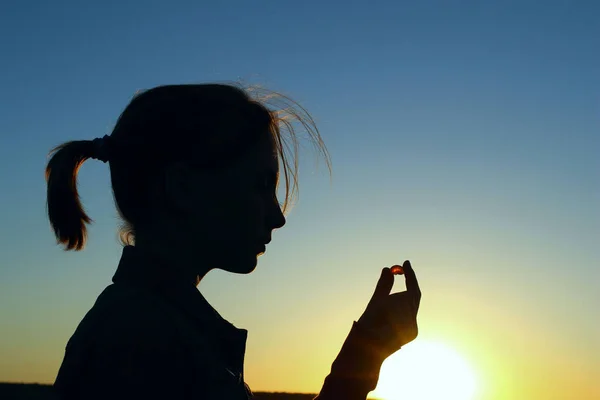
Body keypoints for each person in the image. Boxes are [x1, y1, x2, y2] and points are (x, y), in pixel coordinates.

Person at [45, 84, 421, 400]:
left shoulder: (148, 325)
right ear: (183, 188)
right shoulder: (139, 341)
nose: (278, 217)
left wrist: (362, 356)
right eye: (260, 186)